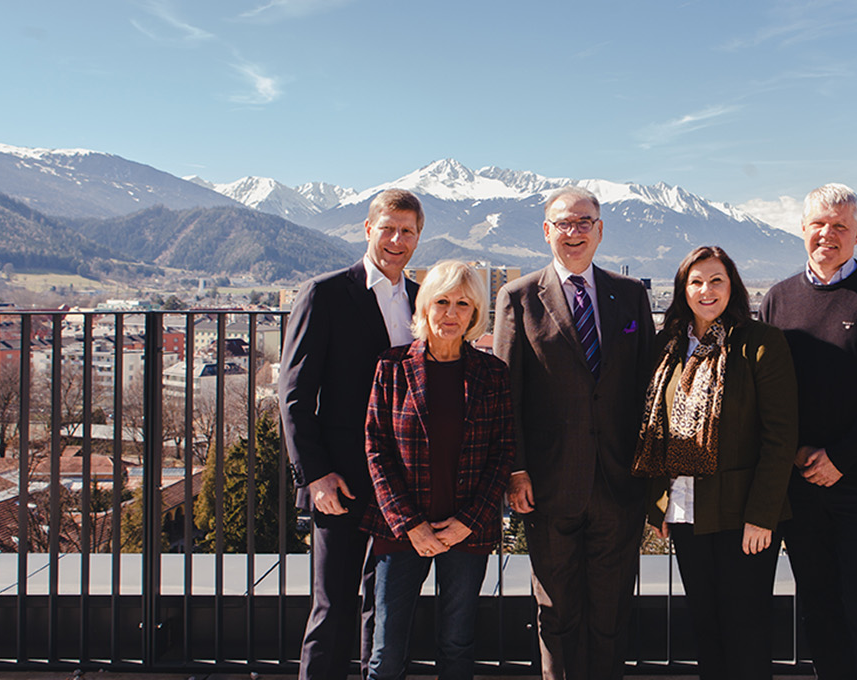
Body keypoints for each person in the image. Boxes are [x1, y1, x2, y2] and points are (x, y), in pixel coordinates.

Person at [493, 185, 656, 680]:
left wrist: (649, 478)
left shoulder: (630, 295)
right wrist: (516, 470)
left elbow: (648, 388)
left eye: (584, 222)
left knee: (610, 614)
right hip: (549, 485)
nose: (574, 232)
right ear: (547, 233)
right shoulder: (517, 297)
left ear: (600, 231)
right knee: (556, 613)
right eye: (563, 223)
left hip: (619, 484)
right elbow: (507, 396)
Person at [759, 183, 857, 680]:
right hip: (798, 483)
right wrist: (797, 455)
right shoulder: (778, 299)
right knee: (819, 607)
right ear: (802, 230)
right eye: (818, 225)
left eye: (840, 227)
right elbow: (764, 391)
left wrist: (842, 458)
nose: (827, 235)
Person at [633, 246, 798, 680]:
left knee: (746, 628)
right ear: (682, 290)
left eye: (716, 280)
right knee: (706, 626)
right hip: (687, 509)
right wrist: (659, 504)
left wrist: (762, 516)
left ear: (733, 287)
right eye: (696, 281)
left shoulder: (760, 343)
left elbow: (779, 438)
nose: (706, 290)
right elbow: (656, 430)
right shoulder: (667, 346)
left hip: (744, 516)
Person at [280, 188, 423, 680]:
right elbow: (294, 395)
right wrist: (315, 475)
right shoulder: (325, 292)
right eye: (388, 228)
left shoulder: (423, 299)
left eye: (407, 231)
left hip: (402, 483)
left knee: (382, 608)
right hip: (340, 479)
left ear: (419, 237)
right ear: (367, 229)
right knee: (332, 604)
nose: (396, 240)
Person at [360, 260, 514, 680]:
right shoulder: (391, 368)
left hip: (468, 530)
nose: (451, 313)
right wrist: (412, 526)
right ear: (425, 307)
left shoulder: (492, 373)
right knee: (386, 652)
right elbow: (376, 450)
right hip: (400, 530)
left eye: (463, 304)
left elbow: (503, 454)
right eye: (442, 301)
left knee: (457, 645)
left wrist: (467, 523)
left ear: (475, 314)